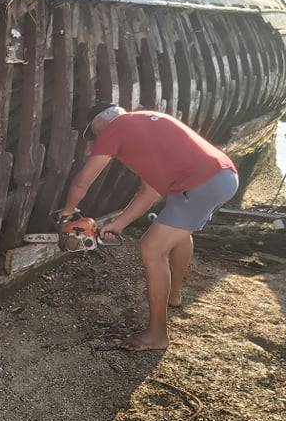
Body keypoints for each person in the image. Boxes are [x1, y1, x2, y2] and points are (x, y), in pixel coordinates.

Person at [59, 103, 239, 350]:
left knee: (152, 250)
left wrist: (67, 213)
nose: (98, 140)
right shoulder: (147, 123)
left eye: (95, 135)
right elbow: (149, 192)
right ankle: (174, 296)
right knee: (179, 233)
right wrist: (119, 224)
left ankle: (157, 336)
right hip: (224, 176)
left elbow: (83, 182)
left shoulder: (114, 129)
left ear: (100, 123)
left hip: (199, 184)